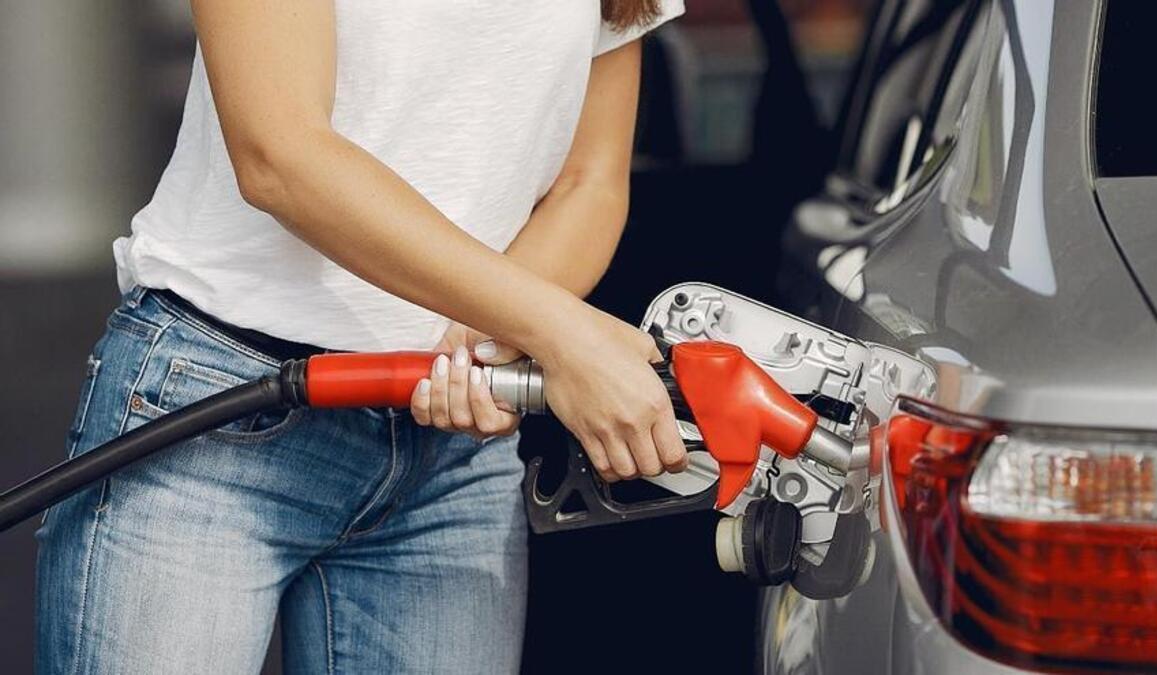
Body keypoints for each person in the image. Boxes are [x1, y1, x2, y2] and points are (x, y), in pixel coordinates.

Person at [35, 1, 687, 672]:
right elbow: (279, 153)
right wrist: (561, 332)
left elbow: (590, 181)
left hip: (449, 460)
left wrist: (484, 340)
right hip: (217, 414)